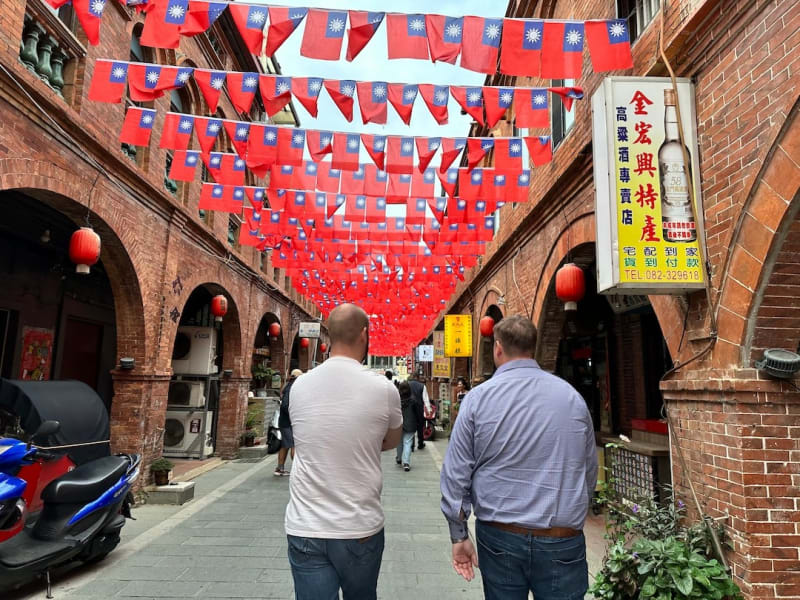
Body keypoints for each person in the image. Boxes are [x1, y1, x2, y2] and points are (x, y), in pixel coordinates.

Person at [440, 315, 597, 600]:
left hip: (501, 536)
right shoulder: (571, 397)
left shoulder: (478, 399)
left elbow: (456, 473)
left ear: (497, 348)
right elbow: (587, 470)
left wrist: (459, 534)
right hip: (561, 538)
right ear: (533, 348)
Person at [285, 303, 402, 600]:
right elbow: (391, 441)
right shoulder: (384, 388)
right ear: (364, 335)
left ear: (329, 335)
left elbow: (304, 437)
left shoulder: (300, 385)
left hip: (306, 525)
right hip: (359, 526)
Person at [274, 368, 302, 477]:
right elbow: (285, 406)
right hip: (288, 422)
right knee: (294, 445)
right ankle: (297, 471)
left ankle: (279, 468)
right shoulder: (291, 388)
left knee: (285, 445)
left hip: (286, 421)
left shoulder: (289, 387)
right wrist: (295, 414)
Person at [395, 381, 417, 471]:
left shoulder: (396, 400)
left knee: (399, 442)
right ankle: (406, 463)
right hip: (410, 424)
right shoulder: (413, 400)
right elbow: (417, 413)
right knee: (407, 443)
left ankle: (399, 458)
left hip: (398, 424)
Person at [407, 374, 431, 449]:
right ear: (417, 378)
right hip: (419, 408)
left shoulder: (407, 385)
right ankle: (420, 443)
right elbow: (425, 399)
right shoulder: (422, 386)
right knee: (420, 426)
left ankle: (411, 445)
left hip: (409, 408)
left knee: (411, 426)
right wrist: (429, 410)